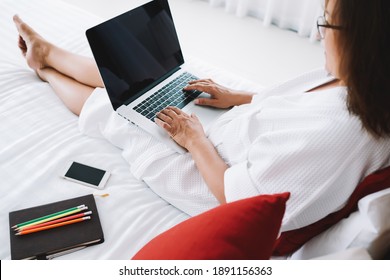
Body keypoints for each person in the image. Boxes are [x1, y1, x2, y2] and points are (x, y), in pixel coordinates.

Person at [13, 0, 390, 232]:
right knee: (149, 80)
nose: (319, 34)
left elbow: (236, 198)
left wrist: (193, 139)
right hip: (228, 139)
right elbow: (293, 108)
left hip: (208, 177)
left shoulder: (338, 132)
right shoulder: (362, 84)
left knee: (118, 113)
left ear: (364, 38)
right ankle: (50, 53)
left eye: (326, 22)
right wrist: (237, 96)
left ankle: (44, 69)